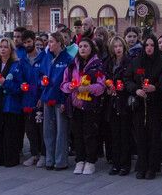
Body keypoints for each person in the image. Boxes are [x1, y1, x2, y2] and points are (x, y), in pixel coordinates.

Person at [124, 35, 162, 179]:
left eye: (152, 45)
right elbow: (127, 79)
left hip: (155, 106)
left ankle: (152, 167)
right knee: (140, 137)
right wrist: (136, 89)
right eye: (147, 45)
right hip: (139, 106)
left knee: (154, 137)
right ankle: (142, 166)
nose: (149, 48)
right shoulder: (136, 61)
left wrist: (155, 87)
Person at [61, 38, 105, 175]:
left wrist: (88, 88)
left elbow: (101, 86)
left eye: (86, 46)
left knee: (89, 134)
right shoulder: (72, 65)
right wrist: (71, 86)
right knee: (77, 134)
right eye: (80, 46)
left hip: (90, 105)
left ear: (91, 48)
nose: (83, 49)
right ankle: (80, 160)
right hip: (75, 105)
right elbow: (64, 84)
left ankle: (90, 161)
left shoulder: (97, 65)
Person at [0, 37, 26, 167]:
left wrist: (5, 83)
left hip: (10, 104)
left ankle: (11, 159)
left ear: (11, 49)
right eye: (1, 47)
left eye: (6, 47)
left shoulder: (17, 65)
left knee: (10, 133)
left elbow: (19, 87)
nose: (3, 49)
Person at [40, 33, 74, 171]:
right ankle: (50, 159)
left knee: (61, 131)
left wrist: (66, 100)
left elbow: (70, 80)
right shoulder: (47, 57)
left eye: (52, 41)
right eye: (48, 42)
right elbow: (41, 74)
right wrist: (42, 82)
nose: (49, 44)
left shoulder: (68, 59)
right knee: (48, 130)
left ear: (60, 43)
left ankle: (60, 161)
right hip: (47, 97)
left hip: (60, 98)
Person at [103, 36, 132, 175]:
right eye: (115, 46)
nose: (118, 49)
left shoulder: (129, 61)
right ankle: (116, 163)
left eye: (120, 46)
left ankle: (125, 164)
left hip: (124, 102)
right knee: (114, 135)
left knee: (124, 134)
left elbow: (131, 80)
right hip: (112, 102)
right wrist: (108, 88)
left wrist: (123, 88)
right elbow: (104, 78)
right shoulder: (108, 62)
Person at [20, 30, 46, 167]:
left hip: (40, 99)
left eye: (29, 42)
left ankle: (44, 154)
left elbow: (47, 78)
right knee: (30, 129)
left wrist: (42, 96)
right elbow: (20, 78)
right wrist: (21, 85)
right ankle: (34, 154)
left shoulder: (44, 58)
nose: (27, 45)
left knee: (41, 129)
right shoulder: (22, 60)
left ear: (34, 41)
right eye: (24, 43)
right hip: (27, 99)